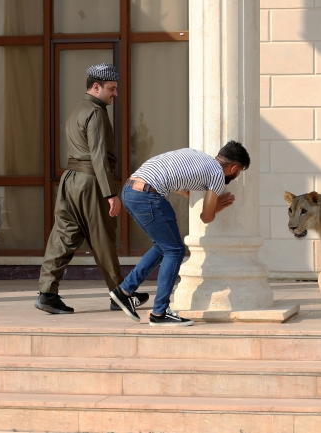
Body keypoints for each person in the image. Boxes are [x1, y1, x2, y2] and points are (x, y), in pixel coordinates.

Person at [35, 62, 148, 314]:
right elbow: (98, 156)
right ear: (95, 87)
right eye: (111, 88)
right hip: (90, 182)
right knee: (103, 239)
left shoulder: (77, 109)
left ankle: (47, 293)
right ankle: (119, 294)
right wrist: (110, 193)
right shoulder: (96, 112)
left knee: (62, 237)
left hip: (70, 181)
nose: (115, 94)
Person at [110, 140, 250, 326]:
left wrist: (186, 192)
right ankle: (159, 313)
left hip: (129, 190)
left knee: (163, 246)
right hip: (148, 196)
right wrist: (216, 208)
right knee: (174, 250)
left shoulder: (199, 156)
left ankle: (124, 291)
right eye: (240, 171)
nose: (237, 175)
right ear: (234, 167)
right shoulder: (216, 173)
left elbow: (171, 172)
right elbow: (206, 218)